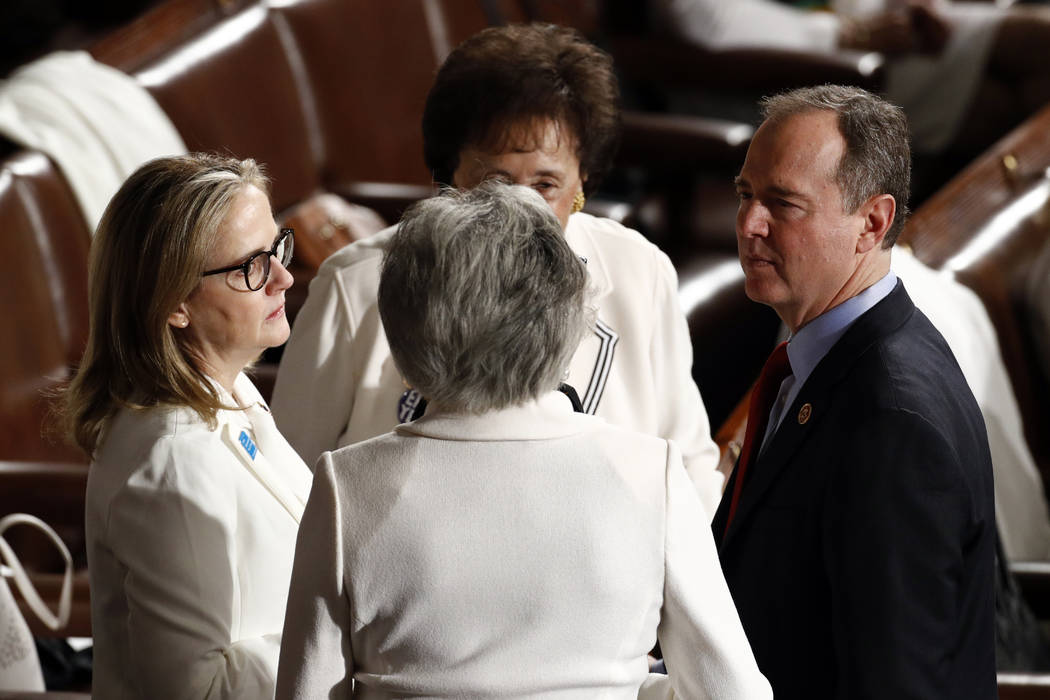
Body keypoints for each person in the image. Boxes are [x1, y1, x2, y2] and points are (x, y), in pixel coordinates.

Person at [274, 182, 772, 698]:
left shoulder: (347, 484)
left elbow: (306, 691)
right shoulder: (653, 472)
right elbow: (731, 689)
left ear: (404, 328)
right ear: (570, 321)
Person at [270, 22, 724, 512]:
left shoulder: (641, 271)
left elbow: (688, 463)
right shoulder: (355, 287)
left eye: (546, 185)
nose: (521, 210)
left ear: (582, 182)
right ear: (447, 179)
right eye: (496, 182)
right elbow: (288, 479)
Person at [715, 85, 996, 698]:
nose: (748, 224)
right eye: (745, 195)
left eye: (783, 205)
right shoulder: (834, 358)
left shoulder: (892, 421)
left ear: (872, 222)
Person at [60, 154, 312, 698]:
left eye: (278, 248)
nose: (285, 277)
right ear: (175, 304)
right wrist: (348, 638)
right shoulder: (172, 463)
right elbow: (196, 691)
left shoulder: (230, 388)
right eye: (252, 266)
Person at [652, 0, 1050, 160]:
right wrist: (844, 34)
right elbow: (702, 18)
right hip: (799, 69)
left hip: (873, 28)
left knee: (1039, 37)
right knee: (1007, 107)